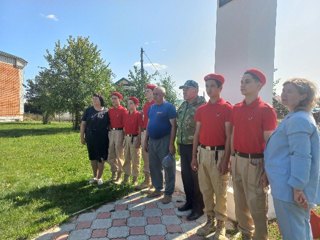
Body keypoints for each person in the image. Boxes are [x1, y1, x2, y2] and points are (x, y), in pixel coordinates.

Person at [264, 78, 320, 240]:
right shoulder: (296, 117)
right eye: (283, 90)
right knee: (298, 230)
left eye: (290, 91)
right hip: (287, 187)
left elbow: (301, 157)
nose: (283, 94)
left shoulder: (298, 120)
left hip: (290, 191)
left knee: (294, 233)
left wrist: (297, 188)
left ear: (303, 96)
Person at [230, 69, 277, 240]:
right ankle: (245, 234)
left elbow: (271, 143)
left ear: (259, 85)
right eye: (242, 81)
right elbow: (233, 135)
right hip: (237, 160)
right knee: (240, 201)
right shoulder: (236, 108)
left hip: (256, 163)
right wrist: (231, 158)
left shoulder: (266, 110)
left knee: (257, 204)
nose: (242, 85)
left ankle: (260, 237)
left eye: (247, 81)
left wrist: (267, 169)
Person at [191, 74, 232, 239]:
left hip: (218, 154)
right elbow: (197, 133)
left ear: (220, 88)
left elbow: (229, 136)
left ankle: (221, 225)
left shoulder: (227, 108)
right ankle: (209, 221)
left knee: (220, 191)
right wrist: (194, 156)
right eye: (207, 86)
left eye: (212, 86)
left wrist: (226, 159)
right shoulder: (201, 109)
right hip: (202, 153)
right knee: (206, 190)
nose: (209, 89)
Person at [177, 80, 205, 221]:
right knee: (186, 176)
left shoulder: (202, 105)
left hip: (195, 147)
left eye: (186, 89)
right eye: (183, 89)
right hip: (183, 145)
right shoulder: (183, 105)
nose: (184, 91)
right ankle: (189, 202)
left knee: (196, 179)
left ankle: (198, 208)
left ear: (195, 90)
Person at [144, 86, 177, 204]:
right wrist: (145, 140)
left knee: (168, 167)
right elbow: (148, 124)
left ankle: (168, 193)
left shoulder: (169, 107)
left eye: (157, 94)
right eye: (154, 94)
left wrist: (171, 144)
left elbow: (174, 125)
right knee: (154, 166)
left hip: (164, 140)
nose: (155, 96)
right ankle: (158, 189)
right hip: (152, 141)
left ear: (163, 95)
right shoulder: (152, 108)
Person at [80, 93, 110, 185]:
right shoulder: (88, 110)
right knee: (92, 157)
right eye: (93, 99)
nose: (94, 101)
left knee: (101, 158)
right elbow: (83, 124)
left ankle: (99, 177)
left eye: (96, 99)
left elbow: (110, 125)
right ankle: (94, 176)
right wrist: (82, 136)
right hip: (90, 137)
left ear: (100, 100)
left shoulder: (106, 111)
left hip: (103, 138)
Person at [136, 83, 157, 190]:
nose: (145, 93)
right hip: (144, 132)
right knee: (145, 156)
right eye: (145, 91)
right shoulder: (146, 105)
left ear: (154, 92)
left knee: (153, 158)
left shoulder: (156, 104)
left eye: (148, 91)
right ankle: (147, 180)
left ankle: (155, 183)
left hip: (153, 133)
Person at [122, 96, 143, 185]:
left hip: (135, 138)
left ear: (136, 105)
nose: (129, 105)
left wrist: (138, 140)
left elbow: (140, 128)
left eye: (131, 103)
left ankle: (135, 178)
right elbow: (124, 127)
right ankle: (126, 176)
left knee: (135, 159)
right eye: (128, 103)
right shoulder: (126, 114)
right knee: (126, 157)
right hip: (127, 138)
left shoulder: (138, 114)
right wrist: (124, 139)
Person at [107, 91, 127, 182]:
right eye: (112, 98)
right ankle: (113, 172)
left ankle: (120, 174)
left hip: (120, 132)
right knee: (111, 153)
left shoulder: (123, 110)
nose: (113, 100)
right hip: (112, 132)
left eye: (115, 98)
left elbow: (125, 124)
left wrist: (124, 136)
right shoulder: (110, 110)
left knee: (119, 154)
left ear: (119, 99)